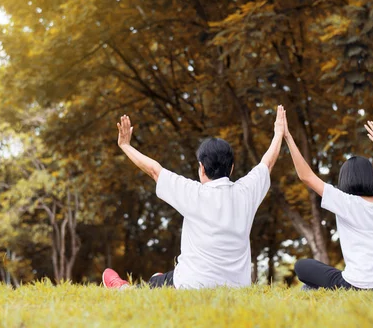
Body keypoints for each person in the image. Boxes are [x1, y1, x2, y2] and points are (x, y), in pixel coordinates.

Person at [102, 106, 287, 289]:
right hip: (238, 286)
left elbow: (154, 170)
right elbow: (267, 163)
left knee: (151, 286)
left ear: (202, 168)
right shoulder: (246, 191)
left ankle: (122, 289)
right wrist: (279, 133)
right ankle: (158, 279)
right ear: (231, 168)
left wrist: (125, 145)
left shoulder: (193, 193)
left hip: (192, 283)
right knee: (160, 279)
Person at [284, 118, 373, 291]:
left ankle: (312, 292)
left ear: (345, 180)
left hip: (358, 286)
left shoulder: (346, 202)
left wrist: (288, 137)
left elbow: (306, 176)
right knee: (314, 283)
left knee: (302, 267)